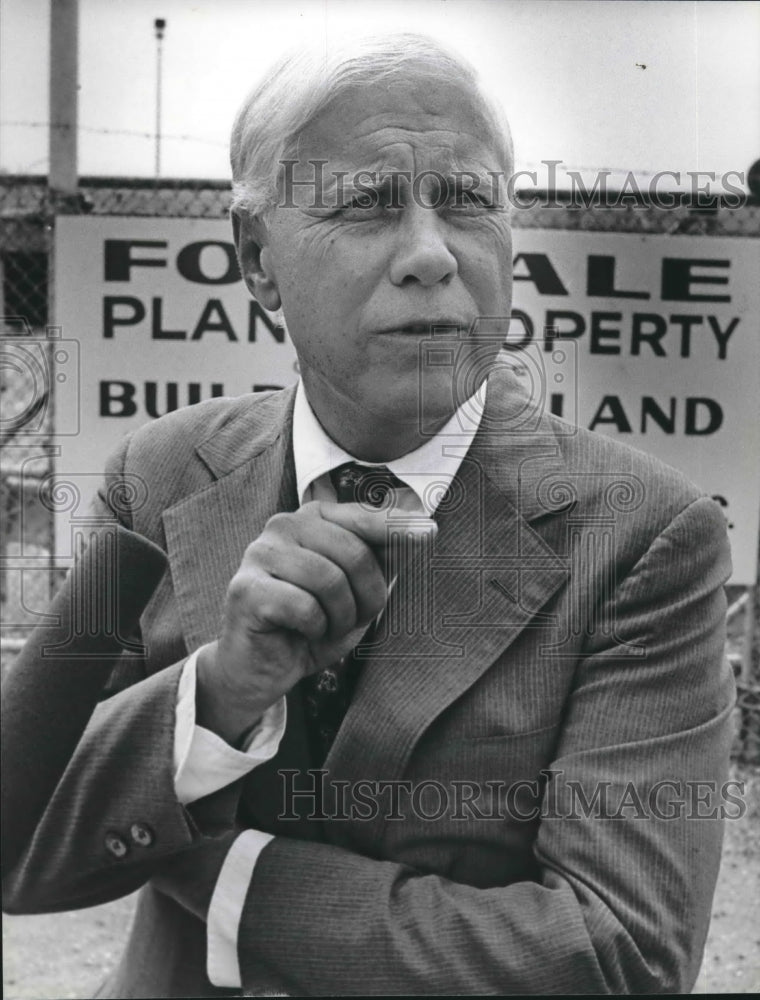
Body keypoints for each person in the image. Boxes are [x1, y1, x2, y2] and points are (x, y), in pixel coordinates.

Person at [2, 33, 735, 997]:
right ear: (257, 260)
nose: (431, 254)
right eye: (365, 204)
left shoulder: (645, 537)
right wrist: (218, 694)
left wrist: (227, 878)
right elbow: (17, 836)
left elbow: (617, 958)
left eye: (468, 199)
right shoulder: (158, 474)